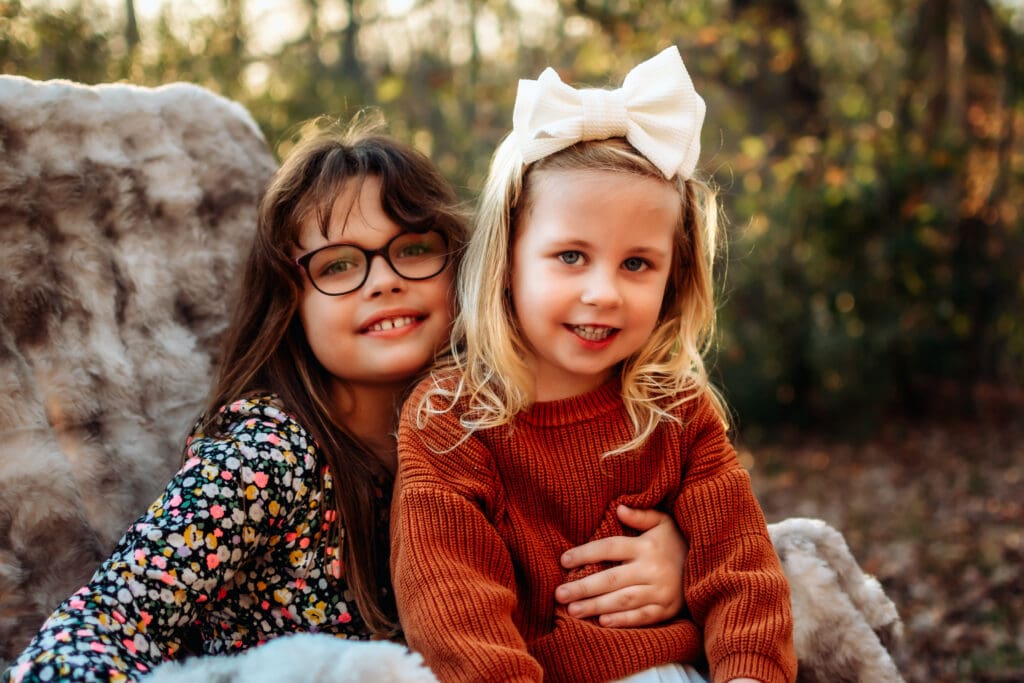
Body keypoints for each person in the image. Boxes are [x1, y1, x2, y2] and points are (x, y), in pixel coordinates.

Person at [3, 115, 691, 683]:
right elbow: (85, 639)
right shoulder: (266, 456)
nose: (383, 281)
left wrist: (678, 561)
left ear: (467, 268)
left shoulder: (498, 428)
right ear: (290, 303)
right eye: (338, 264)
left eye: (413, 248)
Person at [391, 46, 797, 683]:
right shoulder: (451, 419)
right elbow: (451, 606)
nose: (603, 292)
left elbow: (742, 569)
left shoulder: (676, 410)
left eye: (637, 263)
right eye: (571, 257)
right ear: (508, 260)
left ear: (674, 276)